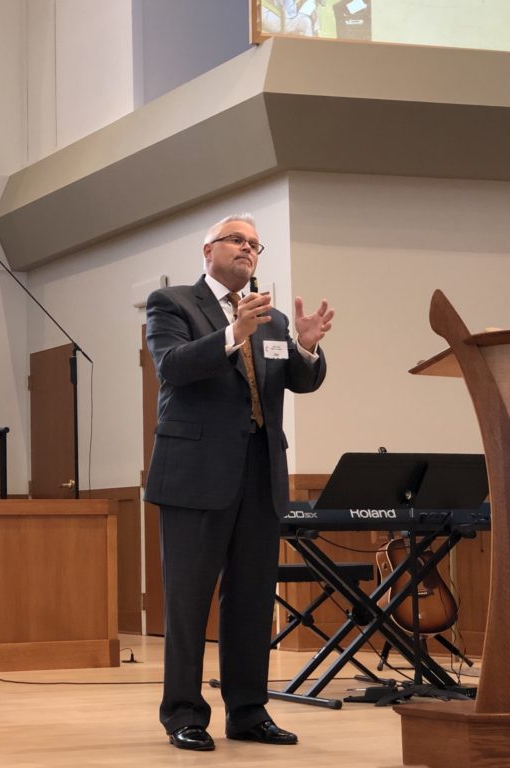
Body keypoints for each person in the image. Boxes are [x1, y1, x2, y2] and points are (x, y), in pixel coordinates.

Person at [144, 213, 333, 751]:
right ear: (208, 251)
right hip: (195, 477)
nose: (248, 250)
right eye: (237, 240)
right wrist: (232, 333)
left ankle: (248, 712)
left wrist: (306, 347)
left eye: (255, 244)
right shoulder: (173, 304)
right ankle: (184, 714)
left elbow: (299, 380)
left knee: (251, 599)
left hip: (259, 472)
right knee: (188, 601)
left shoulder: (269, 317)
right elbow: (173, 367)